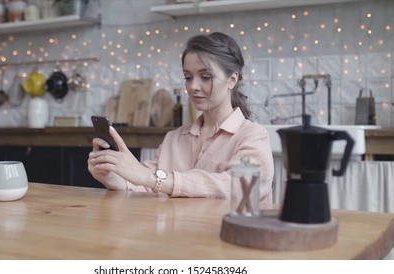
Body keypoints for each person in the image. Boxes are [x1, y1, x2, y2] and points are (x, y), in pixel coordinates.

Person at [88, 32, 274, 202]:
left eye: (205, 77)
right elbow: (142, 186)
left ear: (232, 80)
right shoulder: (174, 138)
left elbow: (239, 185)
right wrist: (110, 175)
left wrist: (150, 178)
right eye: (188, 77)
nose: (193, 86)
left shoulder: (253, 135)